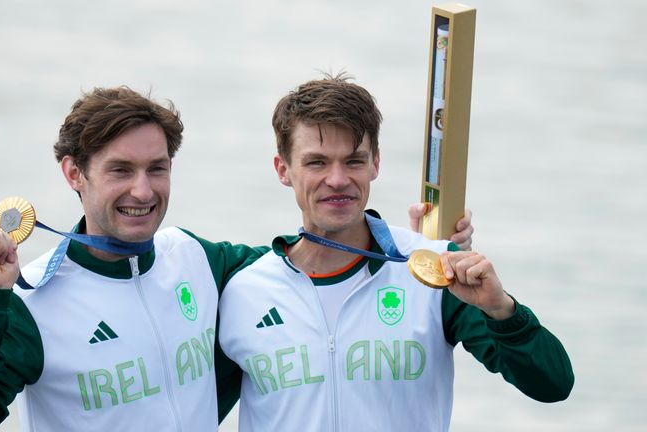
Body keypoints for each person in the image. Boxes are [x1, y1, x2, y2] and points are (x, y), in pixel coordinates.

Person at [0, 86, 474, 431]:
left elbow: (316, 259)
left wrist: (417, 251)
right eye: (120, 170)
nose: (143, 191)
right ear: (75, 173)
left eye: (157, 168)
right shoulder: (30, 300)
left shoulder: (198, 261)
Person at [218, 74, 574, 432]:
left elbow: (553, 385)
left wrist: (501, 310)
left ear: (375, 163)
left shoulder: (437, 271)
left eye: (354, 161)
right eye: (317, 163)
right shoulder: (244, 291)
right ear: (283, 170)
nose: (338, 179)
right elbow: (192, 410)